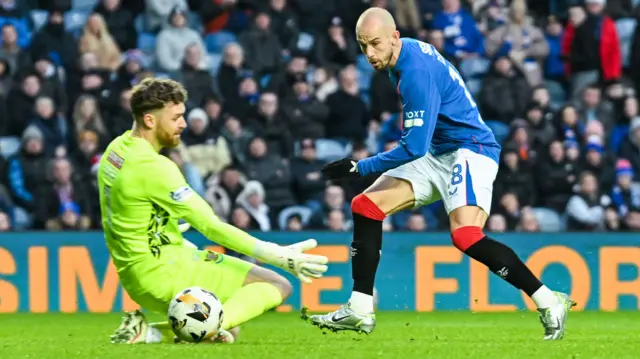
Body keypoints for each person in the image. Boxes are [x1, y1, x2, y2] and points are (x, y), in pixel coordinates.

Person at [305, 8, 575, 340]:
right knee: (365, 206)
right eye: (363, 47)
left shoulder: (413, 71)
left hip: (470, 150)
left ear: (394, 37)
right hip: (438, 150)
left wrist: (359, 167)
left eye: (375, 44)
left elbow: (413, 148)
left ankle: (548, 301)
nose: (370, 54)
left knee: (465, 236)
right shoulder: (403, 55)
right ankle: (360, 308)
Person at [99, 78, 328, 344]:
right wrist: (276, 254)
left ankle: (148, 333)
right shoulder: (155, 167)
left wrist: (166, 226)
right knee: (278, 285)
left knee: (233, 323)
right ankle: (163, 332)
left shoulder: (116, 150)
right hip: (163, 271)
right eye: (176, 118)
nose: (183, 124)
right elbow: (211, 226)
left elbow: (116, 213)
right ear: (150, 120)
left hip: (137, 271)